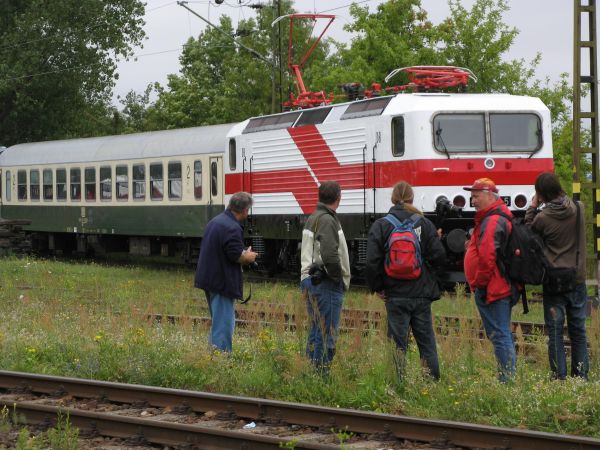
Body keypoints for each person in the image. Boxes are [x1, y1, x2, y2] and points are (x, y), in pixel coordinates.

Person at [365, 181, 446, 381]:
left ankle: (397, 382)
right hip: (420, 293)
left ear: (393, 199)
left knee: (397, 343)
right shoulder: (424, 223)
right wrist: (432, 282)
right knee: (426, 343)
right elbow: (439, 257)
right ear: (411, 198)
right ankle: (431, 382)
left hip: (395, 293)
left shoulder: (382, 224)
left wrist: (378, 287)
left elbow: (372, 261)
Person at [525, 172, 589, 380]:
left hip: (554, 281)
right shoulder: (580, 209)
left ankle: (558, 377)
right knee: (578, 330)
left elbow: (529, 233)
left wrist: (533, 206)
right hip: (577, 278)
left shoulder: (542, 218)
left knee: (555, 333)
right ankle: (581, 377)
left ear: (541, 194)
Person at [463, 178, 518, 382]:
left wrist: (480, 283)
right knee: (501, 334)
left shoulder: (493, 220)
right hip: (497, 285)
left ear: (489, 196)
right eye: (472, 196)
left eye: (476, 196)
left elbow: (487, 258)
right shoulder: (494, 217)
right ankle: (507, 377)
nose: (473, 201)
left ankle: (507, 380)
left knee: (500, 335)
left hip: (494, 287)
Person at [195, 192, 257, 352]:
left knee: (218, 322)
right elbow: (235, 255)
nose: (247, 213)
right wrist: (248, 256)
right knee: (223, 325)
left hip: (209, 279)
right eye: (248, 210)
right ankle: (220, 361)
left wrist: (241, 251)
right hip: (221, 281)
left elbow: (225, 249)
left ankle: (214, 357)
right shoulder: (232, 227)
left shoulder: (215, 222)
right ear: (244, 210)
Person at [300, 181, 351, 373]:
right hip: (325, 284)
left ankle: (311, 371)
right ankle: (320, 374)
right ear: (338, 198)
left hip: (310, 280)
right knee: (326, 332)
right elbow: (330, 255)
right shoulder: (328, 220)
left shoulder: (314, 217)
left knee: (315, 331)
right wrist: (338, 277)